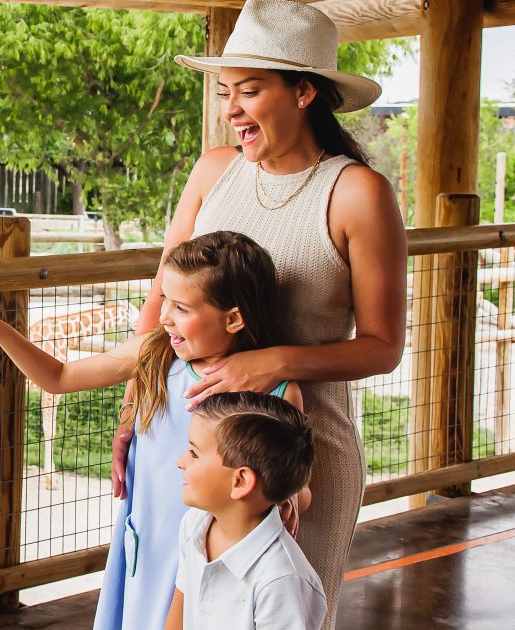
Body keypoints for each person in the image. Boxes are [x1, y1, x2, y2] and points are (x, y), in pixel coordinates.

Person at [112, 1, 407, 627]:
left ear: (304, 92)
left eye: (249, 91)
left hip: (299, 457)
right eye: (225, 93)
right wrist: (136, 408)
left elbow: (383, 347)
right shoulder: (214, 171)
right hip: (194, 449)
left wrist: (271, 361)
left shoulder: (357, 192)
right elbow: (162, 299)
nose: (230, 111)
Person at [0, 231, 305, 629]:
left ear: (234, 318)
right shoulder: (156, 352)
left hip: (218, 553)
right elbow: (61, 376)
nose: (164, 315)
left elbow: (298, 485)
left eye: (182, 307)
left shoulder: (278, 391)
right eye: (164, 299)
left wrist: (290, 500)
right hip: (148, 537)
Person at [165, 391, 324, 630]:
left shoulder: (281, 579)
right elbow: (177, 618)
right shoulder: (194, 524)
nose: (180, 460)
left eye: (194, 453)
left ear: (240, 481)